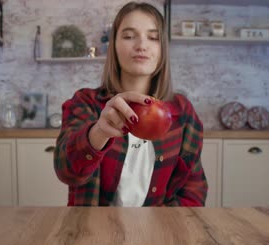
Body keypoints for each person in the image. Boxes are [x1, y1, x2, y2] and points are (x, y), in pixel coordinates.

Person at [53, 1, 207, 207]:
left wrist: (165, 230)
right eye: (128, 36)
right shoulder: (85, 103)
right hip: (93, 234)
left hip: (159, 234)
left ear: (163, 49)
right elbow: (67, 172)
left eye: (153, 37)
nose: (141, 45)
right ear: (113, 45)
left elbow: (193, 189)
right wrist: (99, 132)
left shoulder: (183, 112)